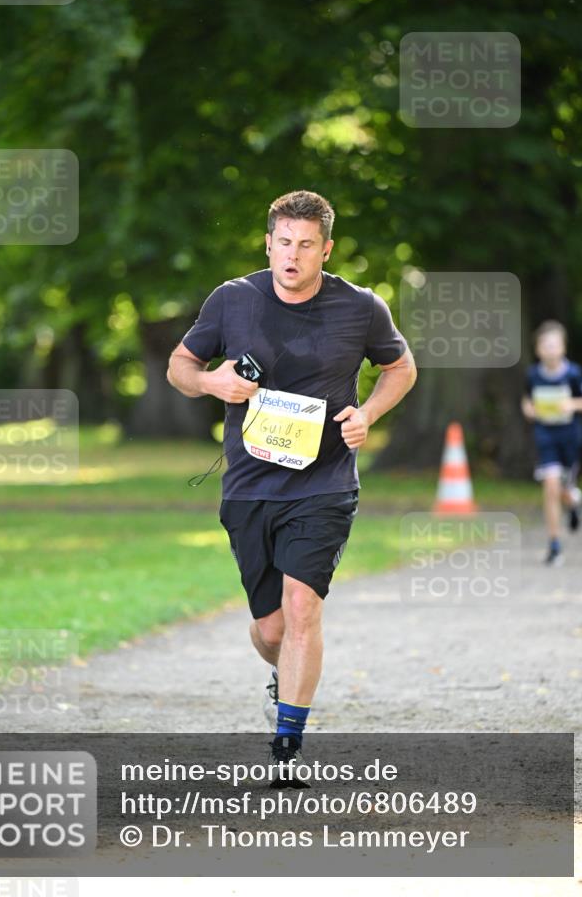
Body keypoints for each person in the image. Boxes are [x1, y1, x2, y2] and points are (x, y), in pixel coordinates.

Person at [167, 189, 416, 777]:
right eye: (284, 243)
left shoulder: (361, 307)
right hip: (249, 485)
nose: (293, 255)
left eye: (306, 245)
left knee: (302, 607)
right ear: (268, 244)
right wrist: (212, 383)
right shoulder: (233, 299)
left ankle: (287, 745)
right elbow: (180, 367)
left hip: (324, 483)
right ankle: (283, 677)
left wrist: (368, 414)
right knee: (271, 627)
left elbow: (401, 367)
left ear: (326, 250)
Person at [521, 320, 582, 566]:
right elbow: (527, 400)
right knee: (550, 486)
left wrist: (572, 404)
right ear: (538, 349)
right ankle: (554, 544)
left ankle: (573, 503)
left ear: (563, 347)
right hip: (545, 437)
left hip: (569, 438)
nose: (550, 350)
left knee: (565, 490)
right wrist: (529, 409)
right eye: (545, 345)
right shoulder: (533, 375)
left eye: (554, 345)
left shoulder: (573, 374)